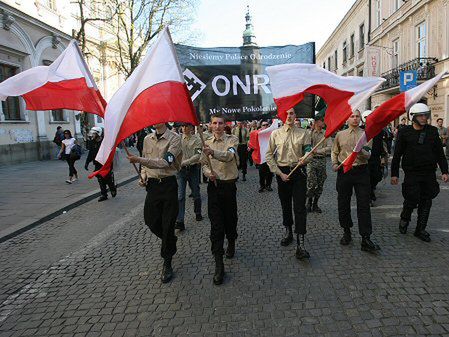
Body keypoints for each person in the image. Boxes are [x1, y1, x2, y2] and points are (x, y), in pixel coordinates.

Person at [127, 123, 182, 283]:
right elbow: (144, 165)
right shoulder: (147, 139)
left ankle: (167, 262)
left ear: (164, 119)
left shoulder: (175, 138)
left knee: (167, 224)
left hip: (168, 184)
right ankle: (170, 239)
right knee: (150, 221)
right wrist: (143, 176)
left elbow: (166, 162)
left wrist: (138, 159)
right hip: (153, 186)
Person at [391, 103, 448, 242]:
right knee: (411, 198)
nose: (424, 118)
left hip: (428, 172)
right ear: (413, 117)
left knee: (426, 200)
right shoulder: (405, 132)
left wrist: (445, 171)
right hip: (412, 173)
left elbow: (440, 153)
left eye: (425, 115)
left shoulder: (433, 131)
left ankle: (420, 229)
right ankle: (405, 217)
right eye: (421, 115)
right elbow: (397, 154)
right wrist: (394, 174)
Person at [266, 108, 312, 260]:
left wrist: (306, 158)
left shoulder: (304, 133)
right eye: (286, 113)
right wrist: (279, 173)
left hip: (298, 172)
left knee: (299, 207)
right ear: (282, 116)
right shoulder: (275, 134)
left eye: (292, 113)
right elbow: (269, 155)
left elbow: (308, 150)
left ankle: (301, 243)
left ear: (295, 115)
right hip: (282, 173)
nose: (289, 116)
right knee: (285, 205)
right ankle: (288, 231)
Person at [331, 110, 380, 252]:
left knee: (364, 204)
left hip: (361, 171)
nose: (355, 119)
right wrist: (334, 164)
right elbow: (334, 152)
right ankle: (346, 231)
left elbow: (369, 155)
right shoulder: (340, 135)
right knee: (343, 203)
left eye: (357, 116)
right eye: (352, 116)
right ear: (347, 119)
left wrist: (360, 151)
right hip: (344, 172)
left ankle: (366, 237)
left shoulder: (366, 134)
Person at [201, 113, 239, 285]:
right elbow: (203, 165)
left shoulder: (232, 140)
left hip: (229, 187)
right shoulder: (205, 142)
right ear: (210, 125)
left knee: (230, 221)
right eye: (214, 123)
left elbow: (229, 156)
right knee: (216, 226)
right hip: (214, 188)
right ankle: (219, 264)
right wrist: (209, 173)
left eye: (220, 123)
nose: (217, 126)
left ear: (225, 125)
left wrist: (213, 152)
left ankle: (231, 241)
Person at [175, 123, 203, 231]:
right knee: (180, 196)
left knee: (196, 192)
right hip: (181, 171)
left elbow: (197, 155)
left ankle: (198, 212)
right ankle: (180, 221)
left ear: (191, 128)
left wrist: (185, 162)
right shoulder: (178, 139)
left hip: (192, 170)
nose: (184, 128)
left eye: (187, 126)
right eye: (183, 126)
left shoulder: (197, 140)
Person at [361, 110, 388, 205]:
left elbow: (381, 145)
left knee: (376, 177)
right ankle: (369, 196)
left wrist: (383, 157)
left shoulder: (379, 131)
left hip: (375, 158)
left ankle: (371, 189)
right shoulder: (360, 131)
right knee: (366, 178)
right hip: (364, 159)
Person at [306, 115, 332, 213]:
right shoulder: (309, 133)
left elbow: (330, 147)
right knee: (311, 183)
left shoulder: (326, 134)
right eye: (322, 121)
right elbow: (306, 145)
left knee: (320, 183)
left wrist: (318, 150)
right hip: (311, 161)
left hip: (321, 160)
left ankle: (315, 203)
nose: (324, 122)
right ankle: (309, 201)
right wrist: (311, 131)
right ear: (316, 122)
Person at [85, 127, 117, 202]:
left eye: (94, 133)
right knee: (100, 179)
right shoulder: (92, 142)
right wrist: (87, 162)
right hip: (97, 163)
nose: (92, 135)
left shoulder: (105, 142)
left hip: (106, 163)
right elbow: (91, 153)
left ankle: (112, 188)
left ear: (98, 133)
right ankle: (104, 194)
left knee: (107, 178)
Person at [253, 121, 273, 192]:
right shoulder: (258, 133)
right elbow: (253, 141)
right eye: (264, 125)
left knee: (270, 172)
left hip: (270, 156)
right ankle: (262, 186)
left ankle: (268, 185)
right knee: (261, 173)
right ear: (261, 126)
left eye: (267, 125)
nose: (266, 126)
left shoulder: (272, 133)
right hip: (261, 157)